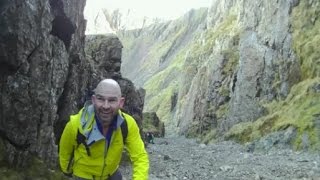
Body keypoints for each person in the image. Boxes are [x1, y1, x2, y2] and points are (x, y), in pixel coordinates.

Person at [59, 79, 149, 180]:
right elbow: (64, 154)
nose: (106, 106)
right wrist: (67, 172)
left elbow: (140, 157)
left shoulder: (127, 125)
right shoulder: (75, 125)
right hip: (83, 176)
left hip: (111, 174)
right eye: (101, 99)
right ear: (93, 100)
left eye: (112, 100)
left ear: (121, 102)